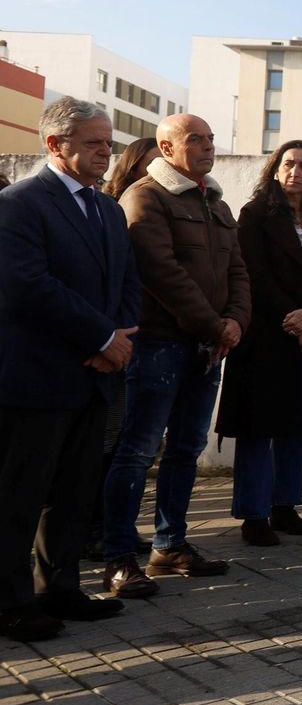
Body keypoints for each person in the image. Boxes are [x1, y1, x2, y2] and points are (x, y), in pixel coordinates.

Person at [0, 99, 141, 642]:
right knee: (20, 494)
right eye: (93, 143)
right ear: (55, 145)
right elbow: (27, 286)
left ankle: (58, 587)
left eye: (108, 143)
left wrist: (119, 338)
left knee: (76, 491)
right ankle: (11, 603)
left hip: (95, 374)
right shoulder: (19, 203)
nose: (106, 152)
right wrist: (100, 337)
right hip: (38, 376)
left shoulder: (107, 208)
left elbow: (128, 280)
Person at [102, 113, 248, 598]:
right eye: (195, 140)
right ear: (166, 148)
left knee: (187, 448)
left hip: (208, 346)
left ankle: (170, 546)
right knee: (137, 452)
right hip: (159, 343)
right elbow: (159, 272)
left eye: (210, 138)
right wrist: (216, 323)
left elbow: (239, 271)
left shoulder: (217, 202)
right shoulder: (145, 197)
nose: (208, 146)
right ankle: (120, 558)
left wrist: (236, 322)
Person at [216, 141, 302, 546]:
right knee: (260, 426)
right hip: (267, 335)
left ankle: (285, 506)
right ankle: (253, 514)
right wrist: (295, 320)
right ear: (275, 171)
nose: (296, 172)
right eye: (288, 164)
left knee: (296, 424)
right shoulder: (256, 215)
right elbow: (254, 275)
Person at [85, 136, 159, 562]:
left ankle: (116, 525)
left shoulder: (115, 212)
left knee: (129, 444)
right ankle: (94, 529)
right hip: (104, 344)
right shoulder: (116, 207)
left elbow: (133, 280)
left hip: (136, 340)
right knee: (104, 443)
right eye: (147, 166)